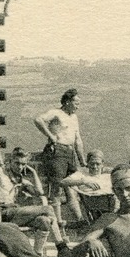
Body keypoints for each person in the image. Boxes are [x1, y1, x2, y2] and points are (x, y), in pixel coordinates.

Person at [0, 146, 64, 255]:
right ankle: (61, 247)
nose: (20, 167)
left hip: (13, 213)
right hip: (0, 212)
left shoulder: (20, 179)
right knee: (48, 209)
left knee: (44, 221)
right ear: (10, 161)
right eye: (17, 163)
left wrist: (34, 172)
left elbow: (39, 192)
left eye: (23, 164)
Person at [35, 88, 86, 217]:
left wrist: (82, 160)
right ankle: (57, 222)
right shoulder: (56, 113)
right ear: (68, 101)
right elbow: (38, 120)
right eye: (76, 103)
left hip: (70, 153)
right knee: (57, 188)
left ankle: (79, 219)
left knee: (72, 187)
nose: (78, 107)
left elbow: (78, 140)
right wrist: (51, 136)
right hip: (57, 152)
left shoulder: (74, 117)